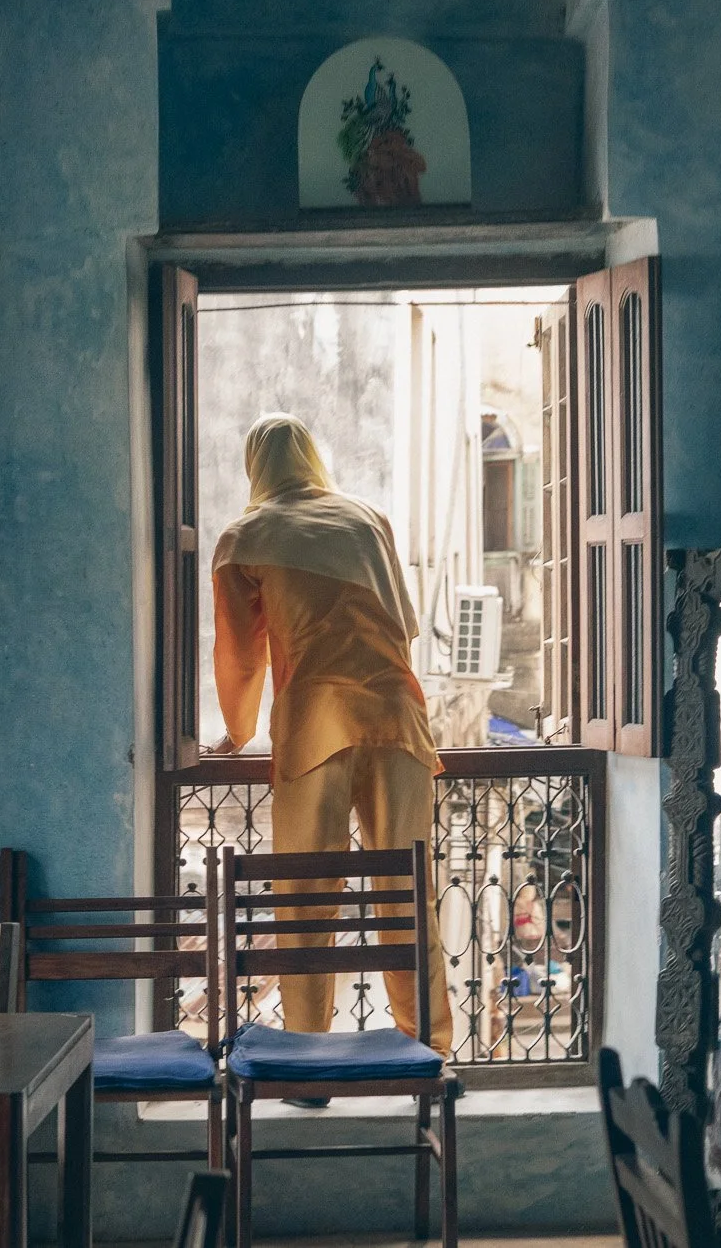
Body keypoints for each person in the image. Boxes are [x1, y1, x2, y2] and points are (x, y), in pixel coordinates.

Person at [210, 414, 450, 1056]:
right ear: (313, 456)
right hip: (398, 718)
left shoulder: (245, 536)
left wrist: (236, 734)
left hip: (316, 725)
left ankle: (307, 1051)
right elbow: (403, 625)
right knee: (407, 890)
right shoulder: (368, 519)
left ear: (254, 466)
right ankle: (429, 1045)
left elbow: (241, 656)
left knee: (306, 893)